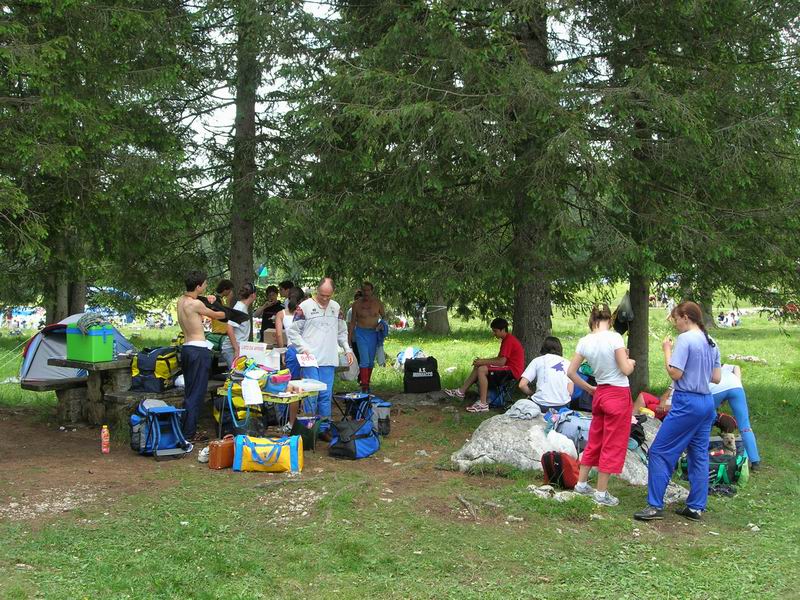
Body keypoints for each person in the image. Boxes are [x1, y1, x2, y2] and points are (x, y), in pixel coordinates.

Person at [634, 301, 721, 522]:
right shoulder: (710, 341)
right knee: (698, 455)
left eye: (676, 319)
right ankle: (696, 507)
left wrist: (667, 351)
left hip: (687, 403)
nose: (675, 324)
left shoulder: (685, 339)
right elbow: (716, 377)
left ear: (685, 317)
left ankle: (655, 505)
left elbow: (675, 373)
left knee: (659, 451)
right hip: (706, 402)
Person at [567, 304, 635, 507]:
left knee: (595, 439)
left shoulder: (585, 341)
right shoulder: (615, 338)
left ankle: (581, 483)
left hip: (600, 393)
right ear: (610, 319)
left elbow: (571, 372)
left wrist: (589, 388)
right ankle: (601, 492)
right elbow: (625, 369)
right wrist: (631, 362)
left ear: (592, 320)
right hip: (618, 393)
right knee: (612, 443)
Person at [287, 277, 355, 441]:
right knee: (311, 396)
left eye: (328, 296)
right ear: (317, 291)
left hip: (328, 358)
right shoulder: (304, 307)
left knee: (325, 395)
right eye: (322, 295)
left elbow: (342, 332)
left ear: (333, 294)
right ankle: (310, 429)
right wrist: (303, 348)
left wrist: (347, 349)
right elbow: (293, 332)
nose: (325, 299)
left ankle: (324, 428)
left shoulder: (336, 308)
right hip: (310, 358)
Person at [176, 271, 226, 443]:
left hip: (187, 348)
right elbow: (218, 316)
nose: (205, 286)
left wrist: (209, 299)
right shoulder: (196, 304)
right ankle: (189, 433)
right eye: (204, 284)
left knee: (190, 391)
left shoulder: (181, 301)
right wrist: (221, 307)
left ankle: (184, 429)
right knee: (197, 393)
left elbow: (200, 303)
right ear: (198, 286)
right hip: (198, 350)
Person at [444, 318, 525, 413]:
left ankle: (483, 404)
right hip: (507, 368)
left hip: (512, 371)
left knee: (482, 369)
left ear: (503, 330)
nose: (493, 333)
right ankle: (460, 392)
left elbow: (501, 362)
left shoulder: (509, 341)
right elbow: (499, 359)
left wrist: (483, 362)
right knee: (479, 366)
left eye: (495, 331)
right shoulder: (506, 339)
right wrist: (482, 361)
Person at [710, 364, 760, 469]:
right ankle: (755, 462)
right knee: (745, 426)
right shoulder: (720, 364)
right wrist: (738, 382)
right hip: (735, 385)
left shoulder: (700, 366)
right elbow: (736, 367)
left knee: (706, 419)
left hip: (715, 389)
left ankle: (701, 453)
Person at [274, 286, 305, 431]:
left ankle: (291, 422)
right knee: (306, 386)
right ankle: (305, 420)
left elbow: (279, 335)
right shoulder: (305, 313)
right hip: (306, 351)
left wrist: (283, 353)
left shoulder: (281, 314)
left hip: (292, 350)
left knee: (292, 386)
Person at [518, 336, 573, 411]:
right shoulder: (567, 363)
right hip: (562, 406)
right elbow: (570, 391)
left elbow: (522, 385)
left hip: (541, 405)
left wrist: (532, 394)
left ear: (543, 348)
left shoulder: (537, 361)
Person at [348, 282, 385, 392]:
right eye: (364, 290)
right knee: (364, 360)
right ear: (362, 291)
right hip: (361, 333)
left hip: (374, 333)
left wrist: (382, 324)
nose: (366, 292)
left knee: (370, 361)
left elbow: (384, 317)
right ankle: (364, 386)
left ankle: (367, 382)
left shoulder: (378, 302)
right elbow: (352, 322)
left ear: (372, 291)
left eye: (368, 290)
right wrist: (349, 339)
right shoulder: (356, 304)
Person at [220, 283, 257, 367]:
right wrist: (236, 349)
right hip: (232, 349)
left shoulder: (243, 307)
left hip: (238, 348)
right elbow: (229, 328)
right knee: (236, 374)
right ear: (253, 295)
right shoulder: (240, 308)